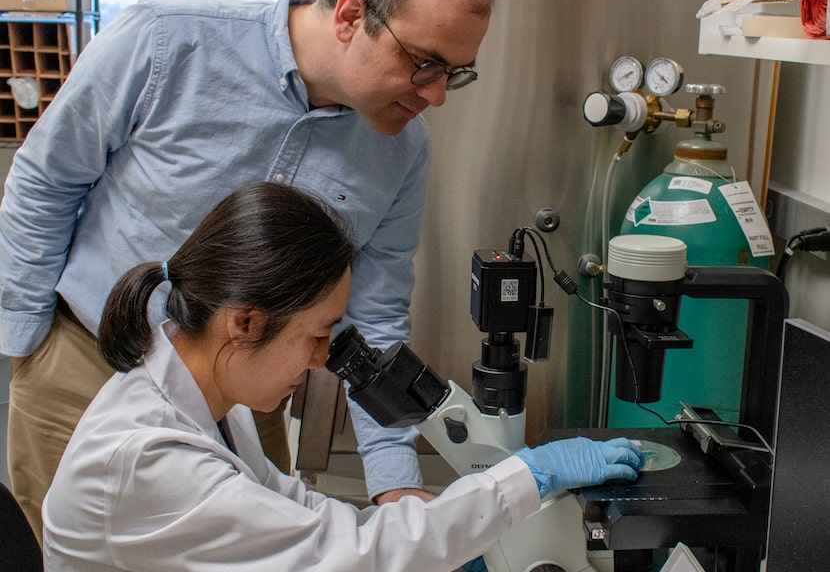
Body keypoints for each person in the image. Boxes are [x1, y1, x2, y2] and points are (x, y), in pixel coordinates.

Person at [0, 0, 497, 539]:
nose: (438, 94)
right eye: (425, 63)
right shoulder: (164, 41)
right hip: (89, 366)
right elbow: (46, 180)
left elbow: (374, 318)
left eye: (456, 72)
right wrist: (28, 347)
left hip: (240, 402)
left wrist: (392, 479)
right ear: (350, 16)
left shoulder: (403, 150)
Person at [42, 181, 644, 571]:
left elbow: (294, 512)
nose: (319, 362)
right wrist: (526, 479)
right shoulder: (149, 461)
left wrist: (430, 523)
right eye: (317, 335)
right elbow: (346, 557)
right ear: (244, 322)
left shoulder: (206, 399)